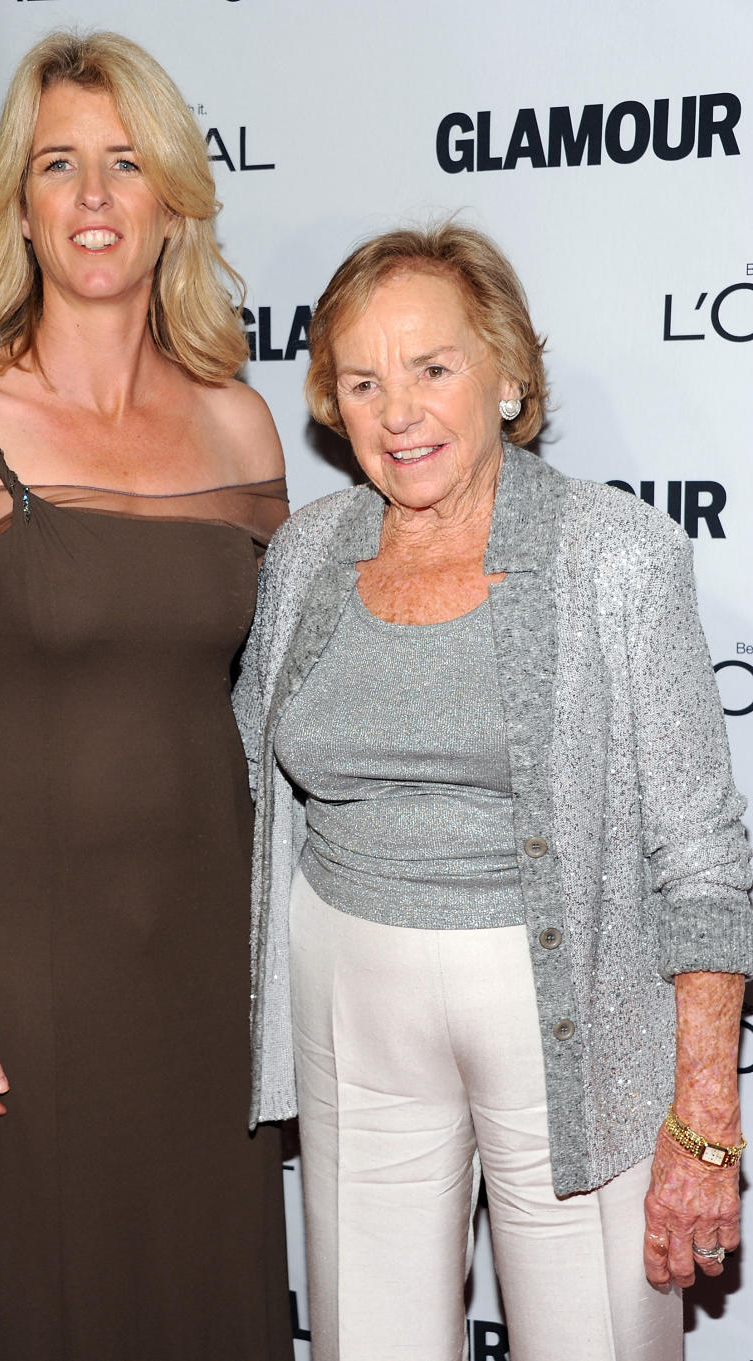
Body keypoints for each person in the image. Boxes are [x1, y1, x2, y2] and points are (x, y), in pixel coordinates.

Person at [233, 222, 752, 1361]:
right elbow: (236, 772)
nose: (398, 411)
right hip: (349, 999)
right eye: (362, 381)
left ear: (508, 373)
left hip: (566, 1018)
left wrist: (706, 1119)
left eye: (433, 367)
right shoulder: (306, 556)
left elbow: (706, 862)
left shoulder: (615, 554)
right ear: (331, 403)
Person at [0, 30, 293, 1361]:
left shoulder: (242, 428)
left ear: (173, 201)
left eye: (125, 163)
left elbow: (286, 696)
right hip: (24, 971)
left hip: (211, 970)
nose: (96, 197)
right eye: (60, 165)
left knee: (202, 1295)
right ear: (20, 204)